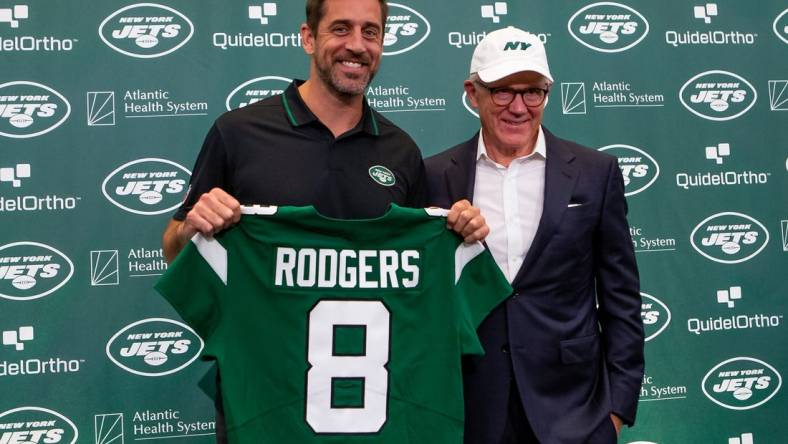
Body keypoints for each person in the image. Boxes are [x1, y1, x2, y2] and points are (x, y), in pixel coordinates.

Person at [161, 0, 487, 442]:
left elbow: (420, 290)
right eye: (341, 29)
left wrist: (459, 234)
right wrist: (193, 227)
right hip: (267, 412)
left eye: (370, 32)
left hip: (377, 417)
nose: (357, 45)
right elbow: (175, 250)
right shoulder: (238, 132)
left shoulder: (401, 151)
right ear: (308, 37)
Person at [425, 27, 645, 444]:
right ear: (473, 93)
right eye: (503, 92)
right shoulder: (435, 176)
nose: (519, 107)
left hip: (576, 413)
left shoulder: (595, 173)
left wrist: (617, 409)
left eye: (532, 92)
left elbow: (622, 299)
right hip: (471, 410)